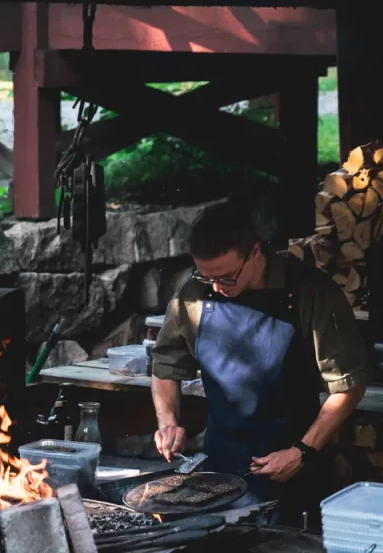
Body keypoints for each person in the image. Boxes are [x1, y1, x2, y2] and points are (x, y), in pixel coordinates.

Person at [150, 198, 371, 526]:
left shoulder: (310, 292)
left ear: (255, 252)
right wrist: (168, 422)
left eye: (227, 277)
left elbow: (349, 385)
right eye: (205, 276)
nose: (216, 287)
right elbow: (165, 364)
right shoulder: (195, 293)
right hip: (218, 468)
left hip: (292, 467)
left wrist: (302, 452)